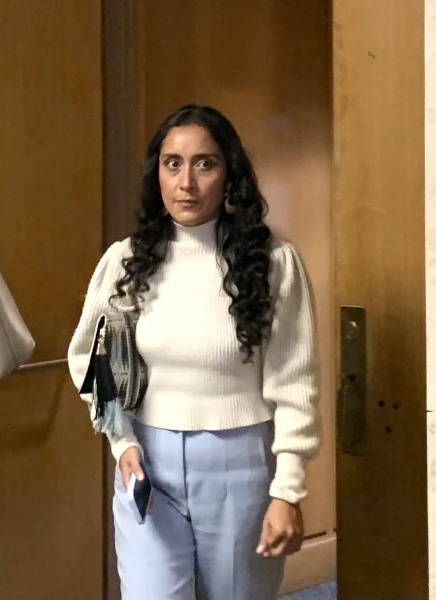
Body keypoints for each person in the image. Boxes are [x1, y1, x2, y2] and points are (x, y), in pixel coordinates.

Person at [68, 104, 320, 600]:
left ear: (230, 176)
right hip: (146, 465)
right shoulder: (126, 260)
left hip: (239, 466)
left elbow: (295, 382)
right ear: (156, 174)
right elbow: (90, 358)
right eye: (173, 164)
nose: (186, 182)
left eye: (205, 164)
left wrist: (286, 490)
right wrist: (121, 440)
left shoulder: (272, 264)